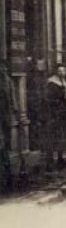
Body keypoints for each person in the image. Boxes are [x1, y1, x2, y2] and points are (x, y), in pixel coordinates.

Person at [42, 64, 66, 171]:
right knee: (53, 137)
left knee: (62, 136)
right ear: (56, 72)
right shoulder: (52, 83)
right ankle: (50, 162)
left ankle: (60, 159)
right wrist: (65, 99)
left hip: (62, 114)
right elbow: (51, 99)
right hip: (53, 114)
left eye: (63, 71)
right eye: (60, 71)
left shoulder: (64, 82)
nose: (62, 73)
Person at [0, 60, 18, 191]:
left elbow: (12, 96)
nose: (3, 70)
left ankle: (6, 167)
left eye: (4, 67)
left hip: (6, 115)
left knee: (5, 140)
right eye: (1, 68)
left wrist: (15, 109)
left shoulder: (8, 81)